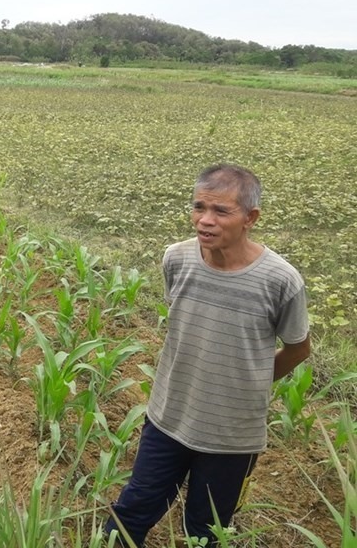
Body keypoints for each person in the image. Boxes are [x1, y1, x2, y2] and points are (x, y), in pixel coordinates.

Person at [105, 164, 311, 547]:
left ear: (251, 218)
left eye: (221, 211)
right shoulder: (177, 259)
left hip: (232, 437)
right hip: (169, 419)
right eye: (199, 207)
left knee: (204, 531)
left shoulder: (281, 281)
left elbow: (300, 348)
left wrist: (248, 381)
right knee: (131, 513)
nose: (205, 220)